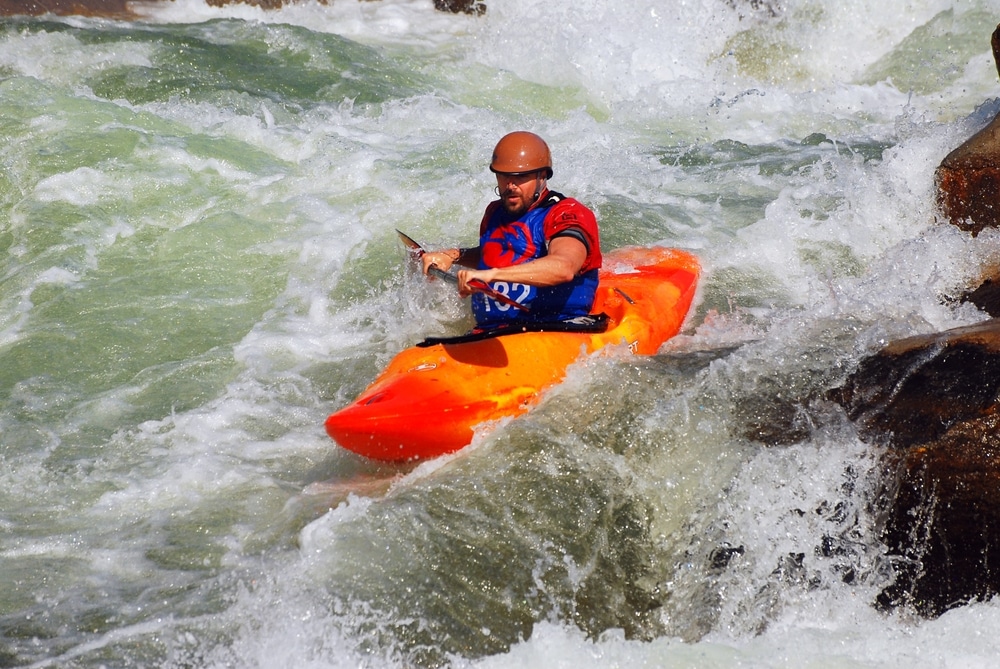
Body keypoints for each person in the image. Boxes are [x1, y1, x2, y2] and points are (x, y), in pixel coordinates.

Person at [421, 131, 603, 329]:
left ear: (542, 176)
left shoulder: (566, 213)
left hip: (556, 325)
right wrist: (452, 256)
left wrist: (490, 275)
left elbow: (564, 267)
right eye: (504, 176)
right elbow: (502, 254)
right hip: (494, 330)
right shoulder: (495, 212)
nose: (511, 185)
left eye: (521, 177)